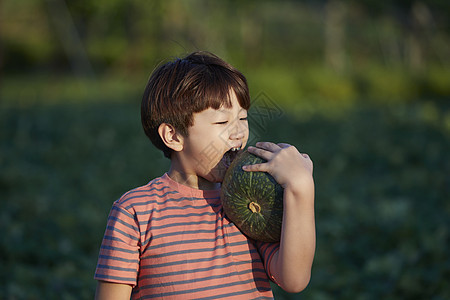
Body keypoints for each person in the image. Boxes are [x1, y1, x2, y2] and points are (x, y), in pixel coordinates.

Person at [94, 51, 315, 299]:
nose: (239, 132)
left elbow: (294, 279)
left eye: (243, 117)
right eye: (222, 123)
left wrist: (301, 188)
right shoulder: (136, 211)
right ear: (173, 136)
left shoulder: (252, 204)